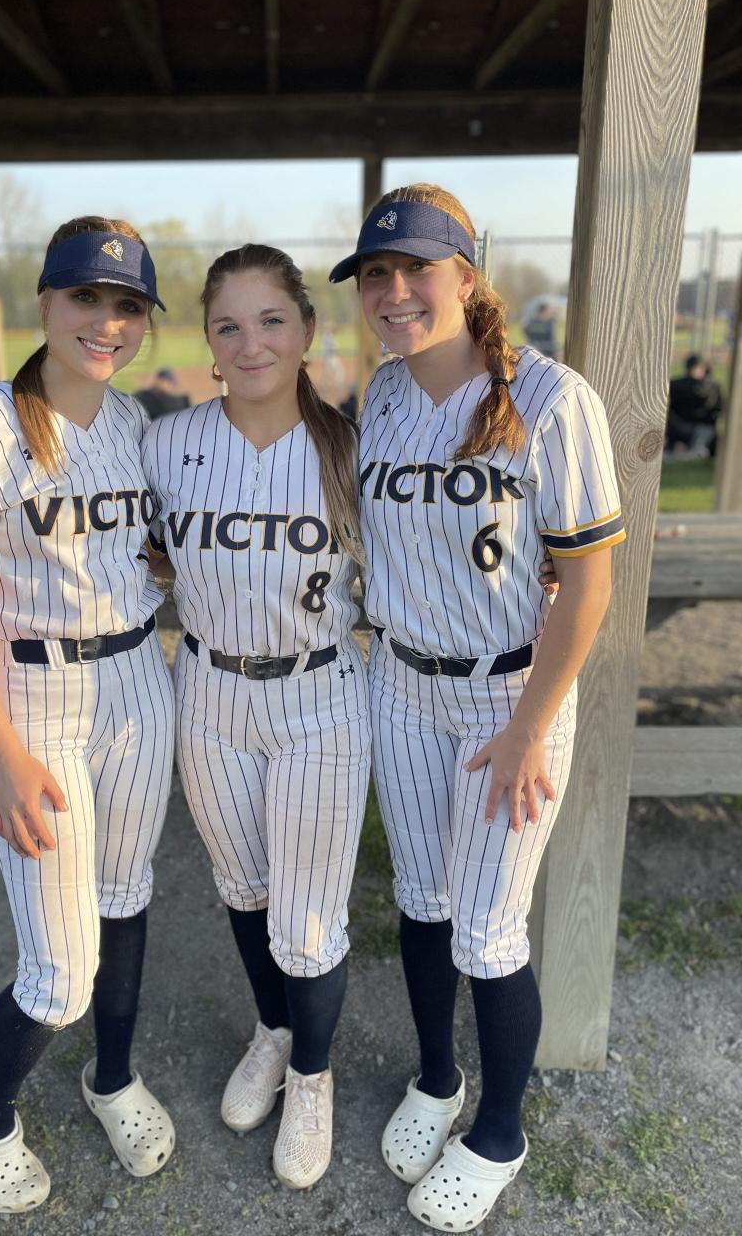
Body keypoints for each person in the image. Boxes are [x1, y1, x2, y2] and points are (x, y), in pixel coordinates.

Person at [330, 184, 625, 1231]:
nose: (396, 291)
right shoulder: (386, 396)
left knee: (491, 930)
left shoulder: (552, 398)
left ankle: (501, 1127)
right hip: (403, 680)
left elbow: (589, 581)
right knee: (421, 899)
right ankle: (438, 1076)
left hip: (512, 689)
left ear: (467, 273)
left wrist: (531, 724)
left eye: (418, 268)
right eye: (377, 273)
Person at [0, 217, 176, 1214]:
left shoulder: (135, 422)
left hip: (140, 681)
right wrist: (6, 754)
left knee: (126, 893)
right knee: (59, 971)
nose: (105, 322)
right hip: (37, 701)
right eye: (85, 298)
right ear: (45, 303)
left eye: (126, 306)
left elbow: (151, 551)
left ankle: (111, 1075)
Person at [141, 244, 370, 1191]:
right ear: (207, 343)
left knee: (308, 919)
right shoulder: (168, 444)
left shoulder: (353, 451)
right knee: (244, 889)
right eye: (229, 325)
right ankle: (276, 1031)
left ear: (307, 331)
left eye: (271, 320)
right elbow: (139, 548)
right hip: (209, 690)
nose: (251, 342)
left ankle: (312, 1079)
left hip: (318, 695)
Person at [665, 353, 721, 456]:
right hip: (702, 431)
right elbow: (717, 410)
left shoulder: (674, 384)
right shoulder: (712, 387)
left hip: (677, 429)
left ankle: (680, 448)